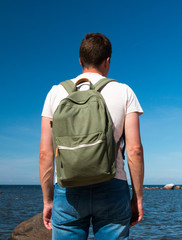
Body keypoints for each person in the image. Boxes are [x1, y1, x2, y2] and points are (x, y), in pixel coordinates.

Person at [39, 33, 144, 239]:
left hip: (68, 189)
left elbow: (45, 154)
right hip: (112, 185)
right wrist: (137, 197)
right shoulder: (124, 92)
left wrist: (48, 201)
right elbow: (134, 150)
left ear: (80, 61)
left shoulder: (55, 93)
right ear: (108, 61)